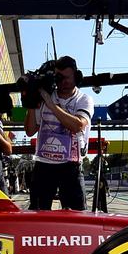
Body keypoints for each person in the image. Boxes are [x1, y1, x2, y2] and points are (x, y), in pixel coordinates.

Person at [25, 56, 94, 210]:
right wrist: (31, 100)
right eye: (59, 77)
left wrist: (51, 103)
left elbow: (77, 125)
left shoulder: (83, 99)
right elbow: (30, 131)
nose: (63, 81)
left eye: (67, 77)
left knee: (76, 216)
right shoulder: (44, 96)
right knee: (37, 212)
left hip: (71, 165)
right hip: (44, 164)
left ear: (76, 76)